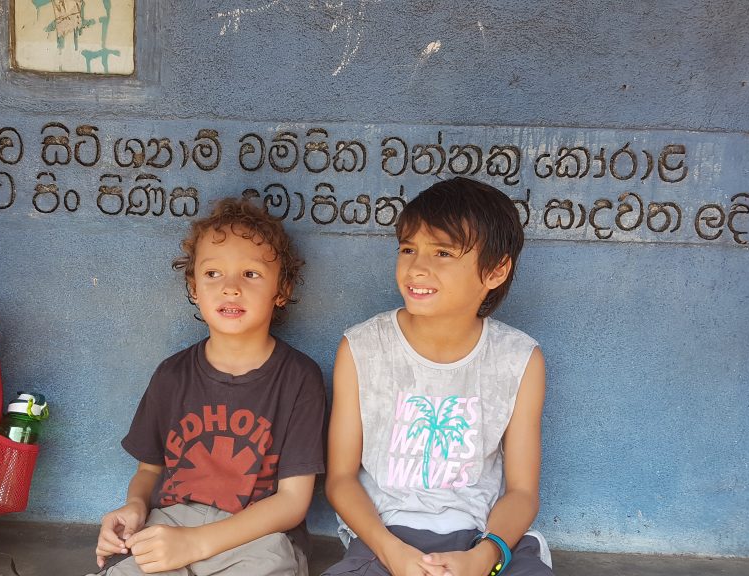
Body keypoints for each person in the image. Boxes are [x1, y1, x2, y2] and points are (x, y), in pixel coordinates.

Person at [323, 177, 553, 576]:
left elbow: (521, 492)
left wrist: (484, 558)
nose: (416, 267)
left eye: (443, 252)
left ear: (496, 270)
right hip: (383, 538)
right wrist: (391, 551)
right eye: (408, 248)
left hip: (480, 537)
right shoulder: (362, 348)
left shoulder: (520, 359)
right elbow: (340, 479)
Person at [91, 198, 326, 576]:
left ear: (280, 289)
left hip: (258, 539)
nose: (230, 288)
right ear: (194, 286)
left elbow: (292, 503)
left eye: (250, 274)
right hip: (173, 524)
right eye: (213, 274)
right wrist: (134, 506)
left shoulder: (299, 378)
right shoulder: (172, 375)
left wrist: (197, 544)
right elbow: (149, 471)